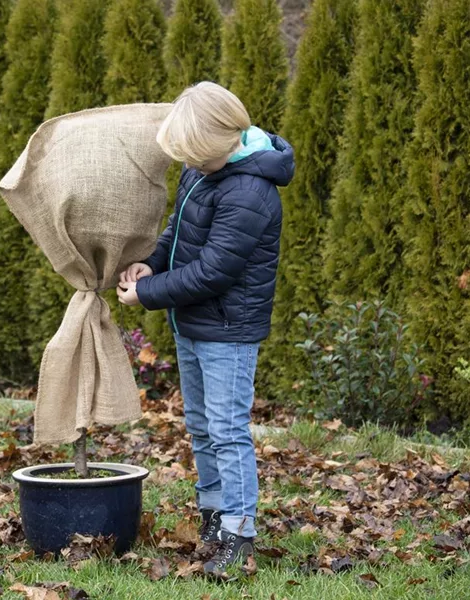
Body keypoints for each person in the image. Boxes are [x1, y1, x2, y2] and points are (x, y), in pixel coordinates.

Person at [116, 82, 295, 577]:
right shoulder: (204, 170)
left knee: (227, 430)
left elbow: (215, 270)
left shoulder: (251, 192)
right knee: (200, 427)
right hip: (193, 322)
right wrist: (150, 265)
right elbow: (179, 230)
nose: (189, 164)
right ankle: (214, 514)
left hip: (228, 331)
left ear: (224, 140)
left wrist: (147, 297)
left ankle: (238, 532)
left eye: (196, 155)